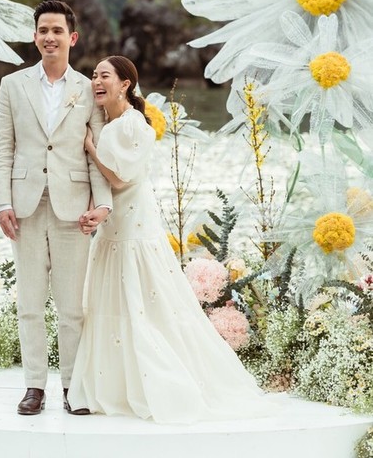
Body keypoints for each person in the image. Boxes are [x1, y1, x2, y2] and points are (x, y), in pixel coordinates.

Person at [68, 55, 283, 423]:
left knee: (144, 299)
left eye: (105, 76)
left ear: (125, 84)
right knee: (113, 300)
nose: (96, 81)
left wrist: (90, 147)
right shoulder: (105, 120)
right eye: (93, 76)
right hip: (111, 223)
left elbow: (119, 180)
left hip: (134, 222)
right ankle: (112, 383)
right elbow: (100, 182)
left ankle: (160, 380)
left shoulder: (135, 125)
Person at [0, 0, 112, 416]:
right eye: (43, 30)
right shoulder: (12, 85)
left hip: (73, 207)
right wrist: (2, 201)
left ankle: (71, 386)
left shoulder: (88, 89)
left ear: (72, 38)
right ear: (34, 36)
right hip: (23, 207)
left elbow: (94, 152)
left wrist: (104, 205)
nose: (49, 37)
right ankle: (34, 387)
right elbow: (3, 148)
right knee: (29, 303)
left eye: (57, 31)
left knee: (71, 307)